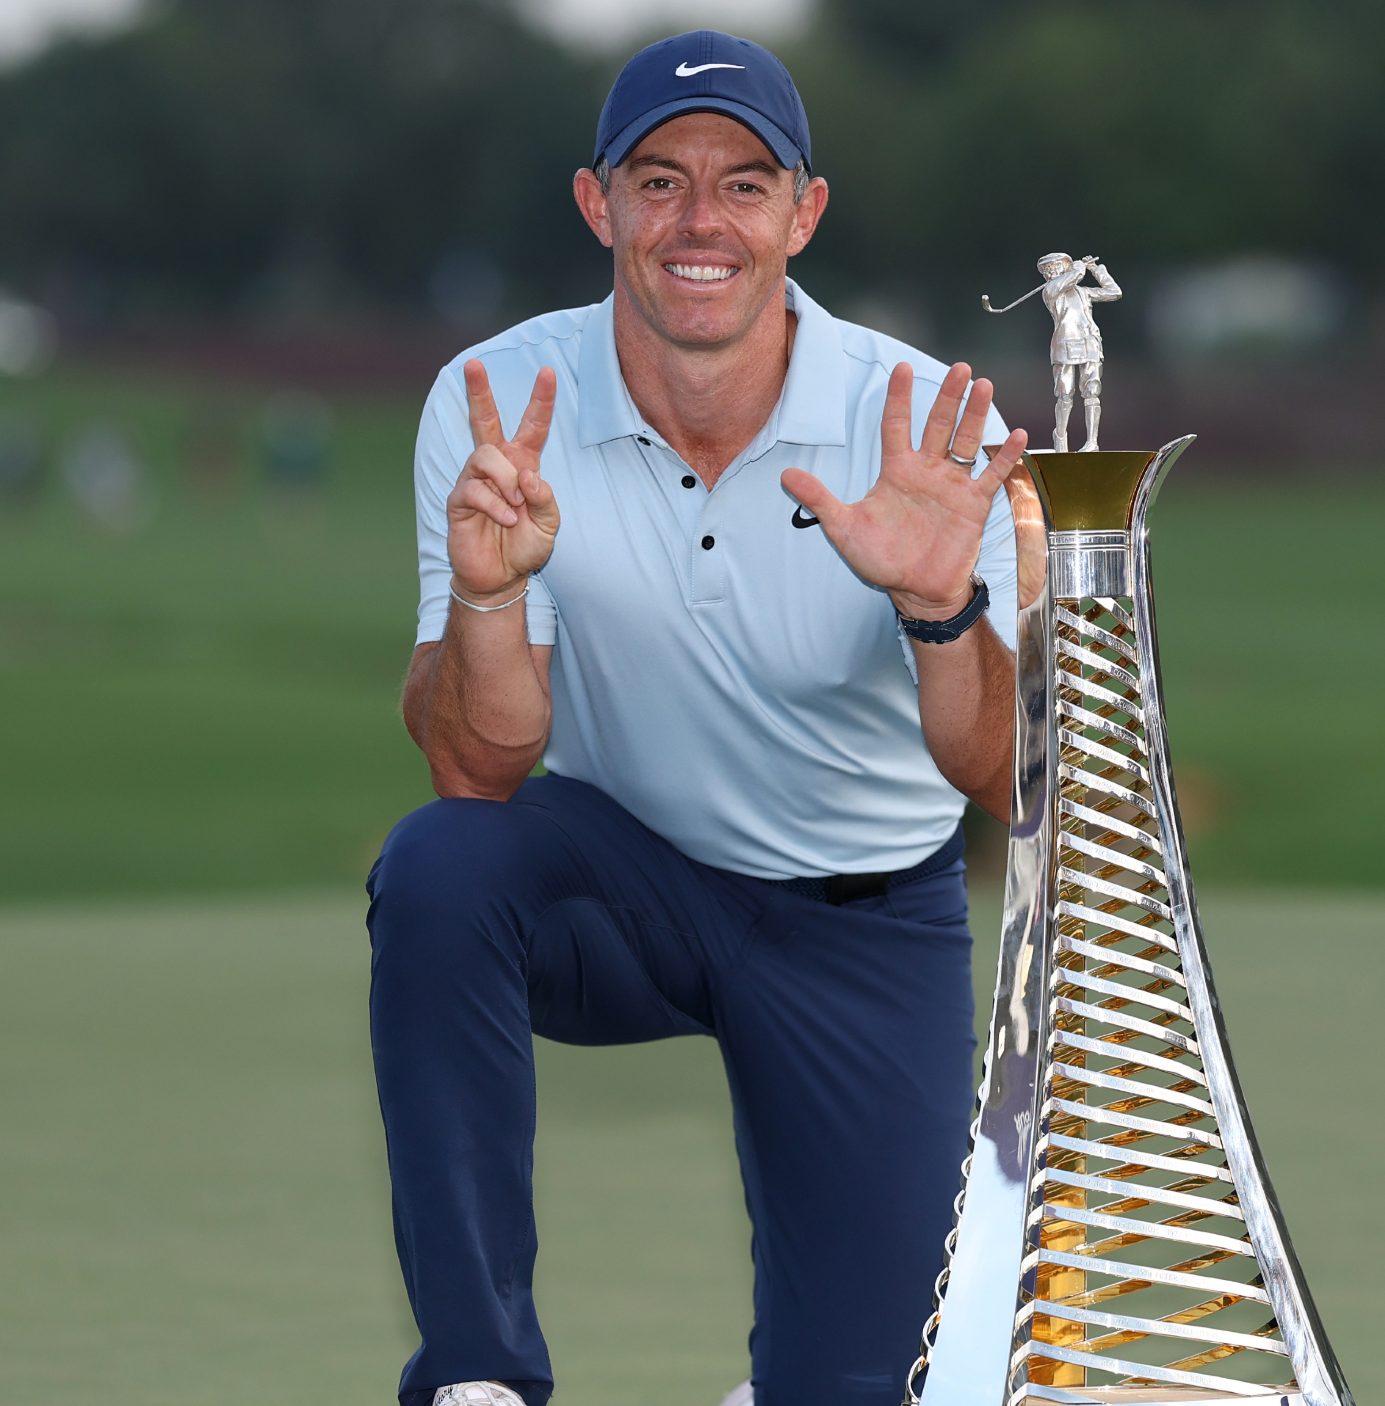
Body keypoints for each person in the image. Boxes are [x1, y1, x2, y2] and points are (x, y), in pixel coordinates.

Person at [365, 29, 1034, 1406]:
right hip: (628, 875)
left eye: (744, 183)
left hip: (861, 921)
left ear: (806, 211)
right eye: (657, 181)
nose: (698, 222)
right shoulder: (502, 407)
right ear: (595, 204)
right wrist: (491, 600)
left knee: (865, 1390)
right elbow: (475, 769)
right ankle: (479, 1378)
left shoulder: (925, 420)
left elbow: (1008, 776)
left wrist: (940, 607)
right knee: (436, 871)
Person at [1035, 253, 1120, 452]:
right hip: (1064, 345)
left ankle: (1092, 441)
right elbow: (1073, 278)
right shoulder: (1051, 291)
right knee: (1065, 393)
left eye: (1055, 267)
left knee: (1092, 391)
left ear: (1065, 267)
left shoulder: (1083, 292)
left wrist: (1097, 270)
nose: (1051, 273)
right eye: (1047, 270)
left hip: (1089, 342)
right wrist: (1078, 269)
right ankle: (1061, 437)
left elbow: (1114, 292)